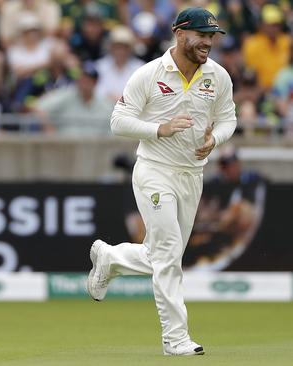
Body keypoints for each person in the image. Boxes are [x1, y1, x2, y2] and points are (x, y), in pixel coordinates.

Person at [88, 8, 237, 356]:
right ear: (180, 33)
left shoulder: (218, 76)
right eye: (202, 35)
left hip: (191, 175)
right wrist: (160, 129)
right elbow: (118, 121)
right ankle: (175, 338)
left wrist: (216, 140)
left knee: (162, 255)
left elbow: (228, 119)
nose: (208, 43)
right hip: (155, 169)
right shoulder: (149, 74)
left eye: (212, 37)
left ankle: (111, 258)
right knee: (169, 256)